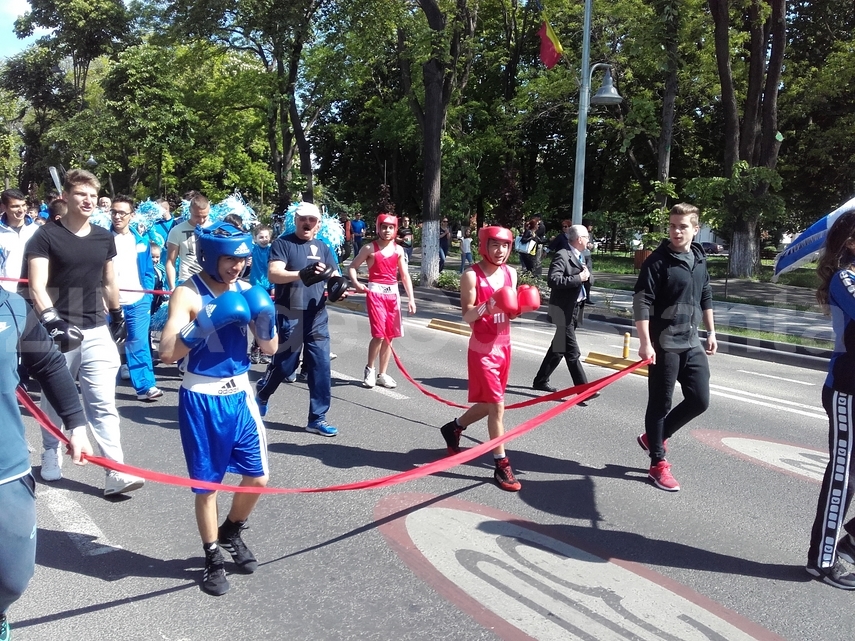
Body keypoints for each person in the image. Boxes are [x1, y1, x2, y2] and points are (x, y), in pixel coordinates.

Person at [158, 222, 277, 596]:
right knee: (208, 486)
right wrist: (206, 322)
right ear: (210, 256)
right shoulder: (187, 294)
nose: (237, 267)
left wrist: (265, 317)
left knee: (258, 478)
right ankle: (212, 556)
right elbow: (166, 353)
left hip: (240, 395)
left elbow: (270, 349)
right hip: (202, 397)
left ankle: (231, 530)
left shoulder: (247, 290)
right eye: (230, 259)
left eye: (242, 260)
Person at [23, 168, 144, 496]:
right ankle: (51, 450)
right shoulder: (45, 236)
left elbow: (109, 280)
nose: (89, 199)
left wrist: (117, 314)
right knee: (54, 398)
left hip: (96, 330)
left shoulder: (104, 238)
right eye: (82, 194)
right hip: (57, 333)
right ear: (66, 197)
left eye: (93, 194)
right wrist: (52, 321)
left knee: (103, 402)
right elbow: (36, 286)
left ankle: (114, 469)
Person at [0, 288, 94, 640]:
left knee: (12, 576)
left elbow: (49, 363)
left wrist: (76, 424)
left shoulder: (11, 307)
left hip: (5, 466)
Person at [438, 226, 536, 492]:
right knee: (497, 407)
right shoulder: (471, 275)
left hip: (505, 345)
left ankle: (454, 428)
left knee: (488, 403)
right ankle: (501, 463)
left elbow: (510, 313)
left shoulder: (511, 273)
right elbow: (467, 315)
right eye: (494, 245)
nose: (500, 251)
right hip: (482, 348)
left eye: (505, 246)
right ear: (483, 245)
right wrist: (488, 305)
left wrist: (522, 307)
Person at [633, 203, 717, 492]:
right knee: (660, 403)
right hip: (664, 343)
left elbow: (705, 293)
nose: (676, 231)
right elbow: (642, 302)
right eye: (672, 225)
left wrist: (711, 331)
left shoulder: (699, 257)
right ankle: (657, 462)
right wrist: (645, 343)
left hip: (692, 341)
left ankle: (653, 437)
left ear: (696, 228)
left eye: (683, 226)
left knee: (700, 400)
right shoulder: (657, 261)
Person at [255, 202, 347, 436]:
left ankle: (317, 418)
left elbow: (334, 276)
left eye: (312, 220)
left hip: (317, 314)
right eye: (303, 219)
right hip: (290, 312)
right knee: (286, 364)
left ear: (318, 225)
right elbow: (274, 273)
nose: (307, 223)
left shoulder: (323, 247)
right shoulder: (283, 243)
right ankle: (263, 393)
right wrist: (301, 274)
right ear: (295, 220)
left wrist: (340, 288)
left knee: (321, 365)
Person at [806, 211, 855, 589]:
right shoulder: (846, 278)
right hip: (847, 389)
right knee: (844, 476)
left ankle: (850, 540)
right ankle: (822, 561)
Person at [348, 213, 416, 389]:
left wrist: (411, 299)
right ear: (378, 228)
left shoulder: (399, 250)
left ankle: (382, 374)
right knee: (378, 335)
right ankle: (369, 369)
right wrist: (356, 283)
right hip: (375, 294)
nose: (387, 231)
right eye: (384, 227)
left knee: (389, 337)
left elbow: (405, 275)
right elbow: (353, 267)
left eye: (391, 227)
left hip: (393, 296)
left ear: (395, 229)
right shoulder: (369, 248)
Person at [532, 224, 597, 396]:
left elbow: (590, 279)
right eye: (587, 237)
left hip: (575, 309)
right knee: (572, 352)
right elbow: (553, 280)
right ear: (579, 239)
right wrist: (579, 278)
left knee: (559, 348)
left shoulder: (583, 256)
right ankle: (583, 390)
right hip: (562, 311)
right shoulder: (562, 255)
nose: (589, 240)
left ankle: (540, 380)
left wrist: (587, 277)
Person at [109, 195, 162, 402]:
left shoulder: (140, 240)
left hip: (138, 302)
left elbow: (149, 270)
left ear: (131, 215)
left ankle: (145, 387)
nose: (117, 216)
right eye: (114, 211)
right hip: (109, 302)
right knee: (104, 345)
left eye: (122, 212)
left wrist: (146, 294)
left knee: (138, 342)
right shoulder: (102, 238)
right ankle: (100, 387)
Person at [165, 193, 212, 290]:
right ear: (190, 210)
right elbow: (170, 261)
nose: (201, 220)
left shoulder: (214, 229)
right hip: (187, 281)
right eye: (197, 216)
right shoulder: (177, 230)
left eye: (204, 216)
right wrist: (172, 287)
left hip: (210, 281)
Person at [0, 190, 40, 294]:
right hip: (6, 292)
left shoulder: (38, 231)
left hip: (35, 291)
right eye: (15, 206)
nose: (21, 210)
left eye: (23, 205)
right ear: (4, 207)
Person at [249, 224, 273, 364]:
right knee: (258, 320)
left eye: (266, 237)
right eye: (261, 237)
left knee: (268, 320)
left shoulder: (272, 250)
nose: (264, 239)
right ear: (255, 238)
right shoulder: (253, 249)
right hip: (257, 287)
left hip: (270, 286)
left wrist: (274, 286)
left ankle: (264, 349)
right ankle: (256, 348)